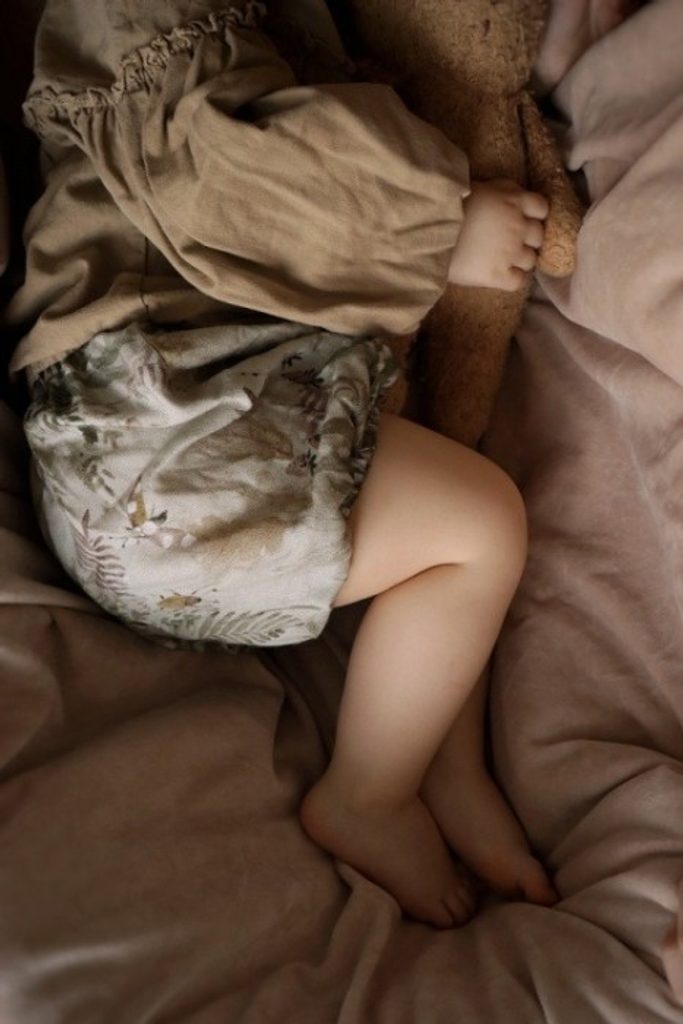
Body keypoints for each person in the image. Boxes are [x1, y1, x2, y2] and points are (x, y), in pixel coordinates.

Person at [9, 0, 632, 928]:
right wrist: (442, 229)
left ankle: (441, 763)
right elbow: (240, 186)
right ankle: (368, 792)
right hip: (161, 446)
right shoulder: (139, 22)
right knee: (480, 527)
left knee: (435, 524)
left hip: (144, 482)